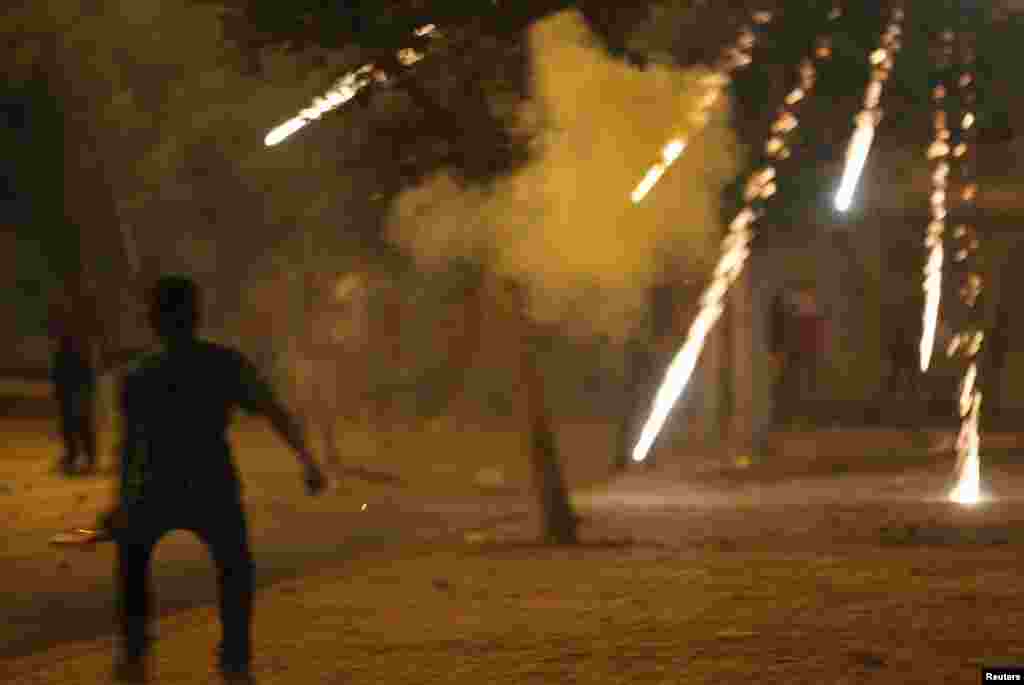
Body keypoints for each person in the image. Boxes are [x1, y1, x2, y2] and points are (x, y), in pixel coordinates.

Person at [102, 275, 327, 684]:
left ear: (153, 320)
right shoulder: (223, 364)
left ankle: (135, 652)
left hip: (153, 486)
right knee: (235, 568)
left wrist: (119, 502)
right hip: (210, 483)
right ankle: (235, 659)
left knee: (133, 561)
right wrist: (307, 459)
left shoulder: (138, 375)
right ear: (196, 316)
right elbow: (273, 410)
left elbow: (129, 448)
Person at [51, 325, 98, 475]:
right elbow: (58, 376)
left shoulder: (73, 353)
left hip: (74, 394)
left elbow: (59, 376)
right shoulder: (69, 353)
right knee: (75, 426)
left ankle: (82, 457)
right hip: (72, 394)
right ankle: (80, 457)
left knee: (78, 425)